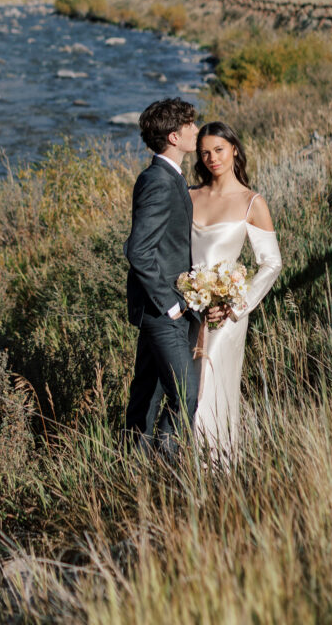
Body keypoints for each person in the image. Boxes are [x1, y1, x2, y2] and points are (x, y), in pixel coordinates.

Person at [189, 121, 282, 459]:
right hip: (187, 312)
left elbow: (271, 263)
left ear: (234, 150)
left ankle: (216, 473)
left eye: (219, 149)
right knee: (184, 391)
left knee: (213, 393)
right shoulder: (188, 196)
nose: (212, 157)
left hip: (225, 319)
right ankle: (179, 470)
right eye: (205, 153)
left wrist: (233, 304)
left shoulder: (251, 202)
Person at [124, 97, 200, 457]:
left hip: (168, 307)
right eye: (190, 125)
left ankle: (132, 465)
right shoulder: (158, 180)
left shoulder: (170, 177)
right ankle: (168, 462)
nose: (196, 131)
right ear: (174, 136)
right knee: (185, 393)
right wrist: (171, 304)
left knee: (147, 393)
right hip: (163, 310)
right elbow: (138, 250)